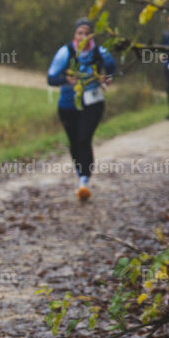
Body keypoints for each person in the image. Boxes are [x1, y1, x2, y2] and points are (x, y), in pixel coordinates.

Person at [46, 17, 117, 201]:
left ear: (91, 35)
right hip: (68, 104)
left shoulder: (100, 52)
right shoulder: (65, 52)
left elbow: (112, 68)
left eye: (87, 33)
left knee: (84, 139)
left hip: (92, 103)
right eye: (80, 33)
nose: (83, 36)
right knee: (74, 142)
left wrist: (106, 77)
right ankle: (81, 176)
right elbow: (51, 78)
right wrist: (66, 80)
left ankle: (84, 181)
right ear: (75, 35)